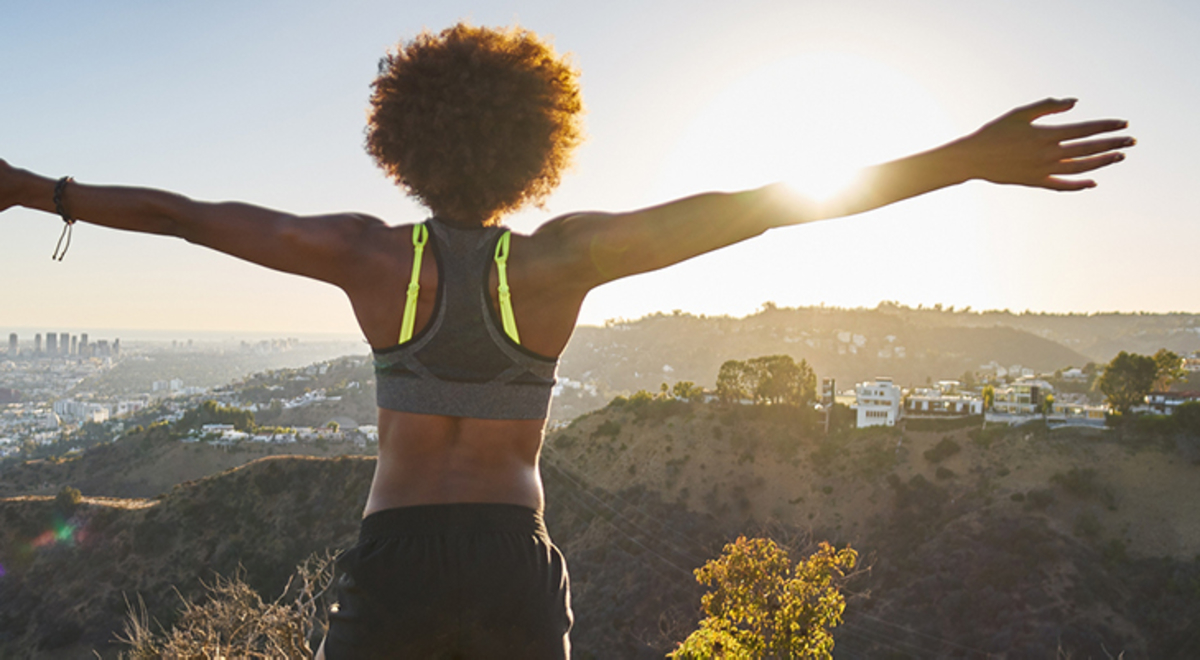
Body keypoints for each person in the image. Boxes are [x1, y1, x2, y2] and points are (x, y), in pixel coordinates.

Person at [0, 22, 1132, 660]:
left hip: (393, 556)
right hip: (509, 557)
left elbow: (187, 217)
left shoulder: (363, 255)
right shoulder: (558, 262)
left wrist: (30, 188)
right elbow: (771, 202)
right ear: (535, 146)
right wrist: (960, 159)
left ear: (403, 141)